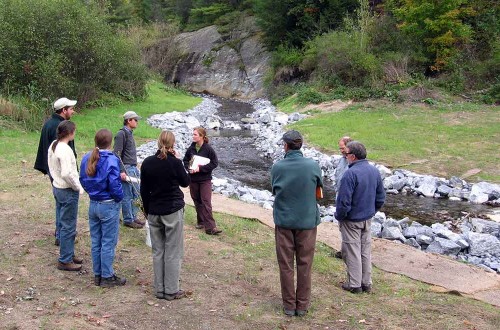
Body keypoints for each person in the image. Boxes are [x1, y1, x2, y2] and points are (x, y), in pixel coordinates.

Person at [270, 130, 323, 317]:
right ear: (301, 145)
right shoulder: (312, 165)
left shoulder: (278, 167)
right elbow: (319, 188)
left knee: (285, 264)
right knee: (305, 263)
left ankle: (289, 305)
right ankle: (302, 305)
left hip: (284, 221)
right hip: (307, 221)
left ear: (286, 145)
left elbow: (274, 189)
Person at [141, 131, 190, 300]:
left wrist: (147, 211)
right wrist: (177, 160)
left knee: (158, 251)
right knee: (173, 251)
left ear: (158, 142)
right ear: (173, 144)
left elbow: (143, 190)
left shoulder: (147, 163)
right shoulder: (174, 163)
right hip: (172, 210)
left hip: (154, 210)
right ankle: (171, 289)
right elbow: (185, 182)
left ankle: (159, 289)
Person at [334, 141, 386, 294]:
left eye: (347, 154)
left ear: (353, 156)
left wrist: (340, 216)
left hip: (351, 219)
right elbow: (380, 197)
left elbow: (343, 201)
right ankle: (366, 282)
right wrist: (371, 211)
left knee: (352, 251)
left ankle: (354, 284)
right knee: (365, 251)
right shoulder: (374, 171)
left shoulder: (350, 174)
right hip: (367, 218)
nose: (345, 156)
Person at [80, 129, 126, 288]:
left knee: (96, 240)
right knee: (108, 241)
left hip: (94, 203)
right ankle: (107, 276)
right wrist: (119, 197)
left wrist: (92, 193)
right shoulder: (111, 159)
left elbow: (83, 179)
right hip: (108, 204)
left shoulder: (87, 157)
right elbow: (114, 184)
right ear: (110, 143)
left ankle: (98, 274)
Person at [34, 97, 77, 246]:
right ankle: (61, 234)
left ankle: (60, 232)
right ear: (63, 110)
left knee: (60, 202)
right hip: (60, 173)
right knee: (63, 204)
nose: (73, 111)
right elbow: (60, 153)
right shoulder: (60, 126)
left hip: (53, 172)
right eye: (70, 108)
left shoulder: (49, 122)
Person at [47, 120, 84, 271]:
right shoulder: (64, 149)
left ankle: (68, 253)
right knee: (68, 225)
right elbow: (67, 173)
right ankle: (64, 260)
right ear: (69, 133)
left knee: (63, 223)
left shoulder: (54, 145)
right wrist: (78, 187)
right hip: (67, 190)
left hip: (57, 187)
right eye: (74, 131)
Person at [182, 127, 221, 235]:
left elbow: (214, 163)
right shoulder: (191, 148)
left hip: (205, 180)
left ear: (201, 136)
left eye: (195, 134)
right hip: (193, 179)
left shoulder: (208, 149)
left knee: (206, 202)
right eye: (193, 134)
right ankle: (201, 222)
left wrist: (200, 169)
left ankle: (211, 228)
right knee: (197, 201)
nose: (193, 136)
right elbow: (185, 160)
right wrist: (189, 168)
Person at [113, 110, 143, 229]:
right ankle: (128, 219)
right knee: (127, 195)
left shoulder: (130, 133)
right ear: (128, 120)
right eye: (135, 120)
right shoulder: (121, 134)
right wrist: (121, 170)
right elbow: (117, 154)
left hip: (133, 167)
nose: (137, 122)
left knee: (137, 193)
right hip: (126, 168)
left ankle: (133, 216)